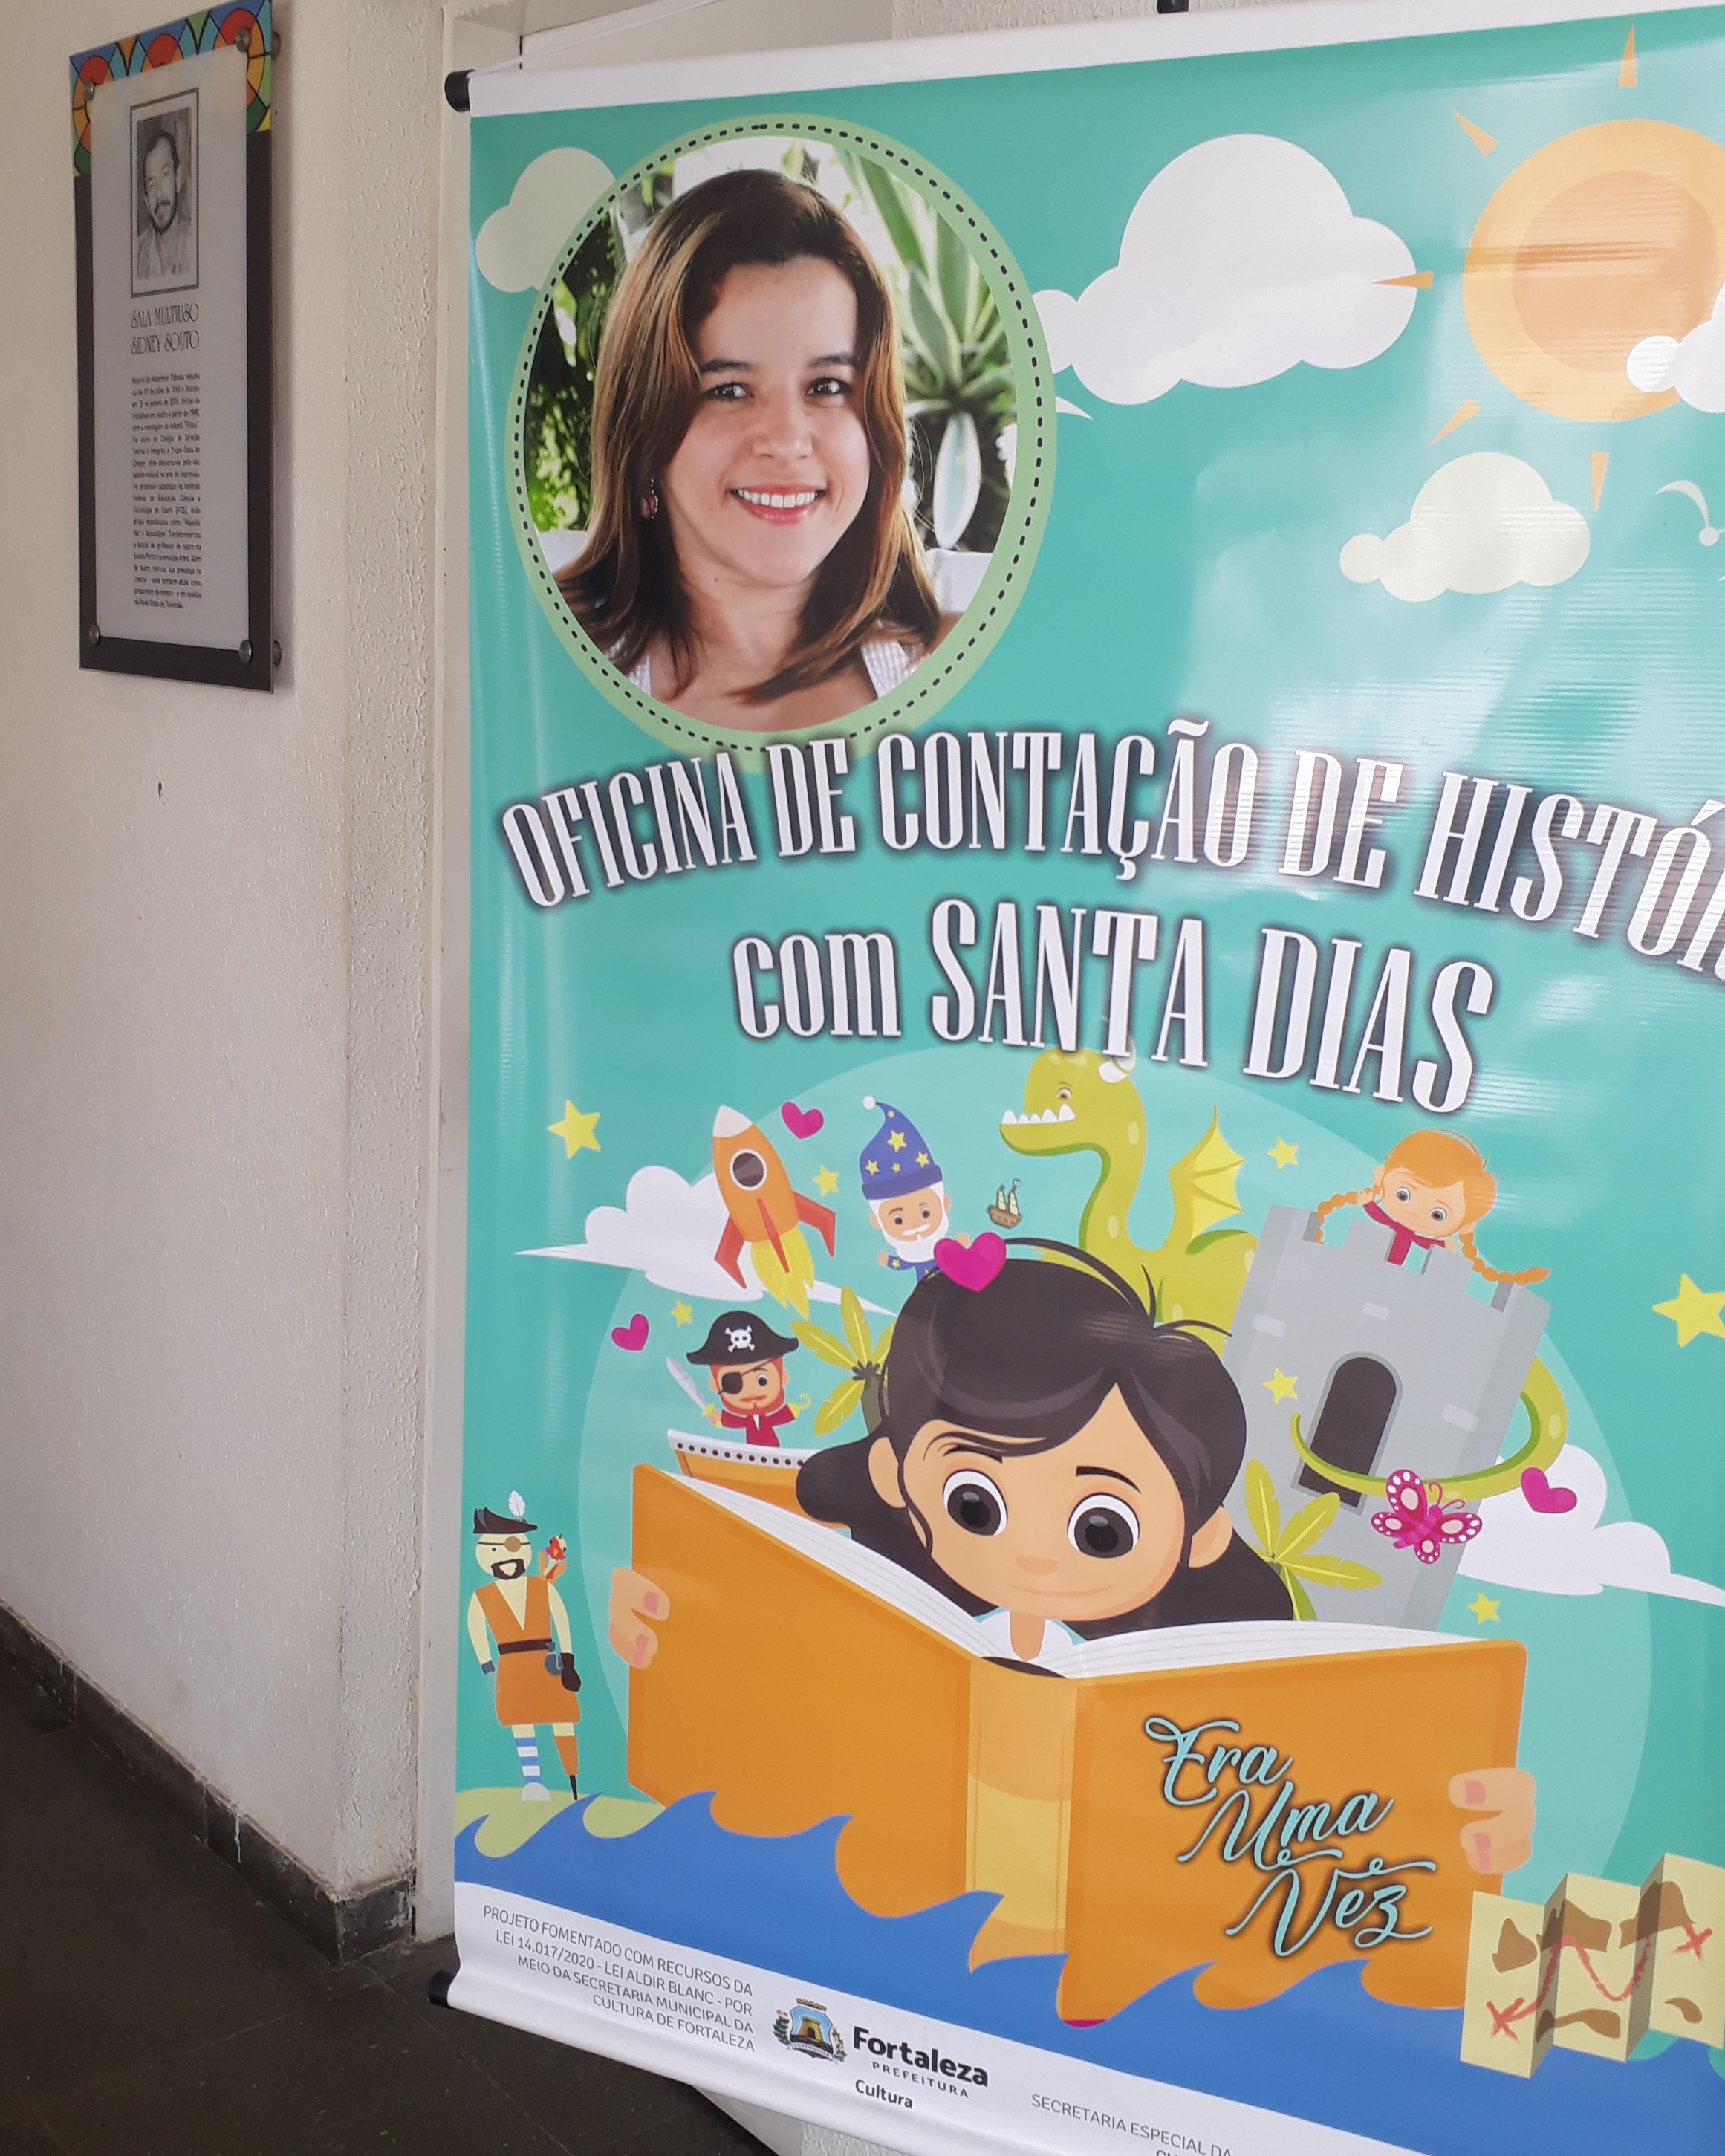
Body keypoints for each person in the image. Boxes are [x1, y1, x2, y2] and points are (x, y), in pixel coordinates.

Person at [611, 1247, 1536, 1872]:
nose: (1031, 1555)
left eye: (1102, 1528)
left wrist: (1453, 1815)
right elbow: (769, 1694)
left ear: (1200, 1534)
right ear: (894, 1474)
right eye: (975, 1502)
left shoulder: (1201, 1667)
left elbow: (1319, 1786)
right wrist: (672, 1630)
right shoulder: (883, 1597)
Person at [558, 167, 955, 730]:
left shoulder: (970, 665)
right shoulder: (541, 670)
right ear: (643, 432)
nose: (787, 441)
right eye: (728, 391)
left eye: (827, 386)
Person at [1315, 1131, 1549, 1283]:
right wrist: (1367, 1202)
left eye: (1438, 1214)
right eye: (1403, 1195)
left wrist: (1444, 1246)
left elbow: (1426, 1243)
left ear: (1465, 1225)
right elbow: (1381, 1217)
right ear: (1381, 1177)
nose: (1415, 1213)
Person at [467, 1497, 581, 1802]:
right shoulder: (483, 1596)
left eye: (513, 1546)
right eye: (495, 1549)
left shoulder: (543, 1587)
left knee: (563, 1717)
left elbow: (562, 1620)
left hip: (548, 1662)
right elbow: (476, 1628)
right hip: (511, 1665)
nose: (505, 1557)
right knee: (521, 1721)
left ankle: (572, 1780)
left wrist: (568, 1661)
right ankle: (533, 1781)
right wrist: (486, 1663)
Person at [859, 1096, 952, 1281]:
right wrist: (887, 1261)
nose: (915, 1226)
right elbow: (902, 1264)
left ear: (945, 1203)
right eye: (898, 1220)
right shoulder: (910, 1255)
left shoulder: (942, 1248)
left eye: (925, 1213)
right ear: (876, 1221)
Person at [686, 1309, 801, 1446]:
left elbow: (780, 1417)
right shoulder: (745, 1421)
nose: (751, 1392)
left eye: (762, 1380)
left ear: (783, 1378)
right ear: (715, 1385)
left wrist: (793, 1409)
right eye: (733, 1384)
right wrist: (719, 1418)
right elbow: (736, 1422)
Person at [136, 125, 192, 285]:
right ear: (146, 201)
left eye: (165, 175)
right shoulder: (136, 257)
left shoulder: (198, 243)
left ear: (178, 179)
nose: (159, 195)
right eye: (152, 185)